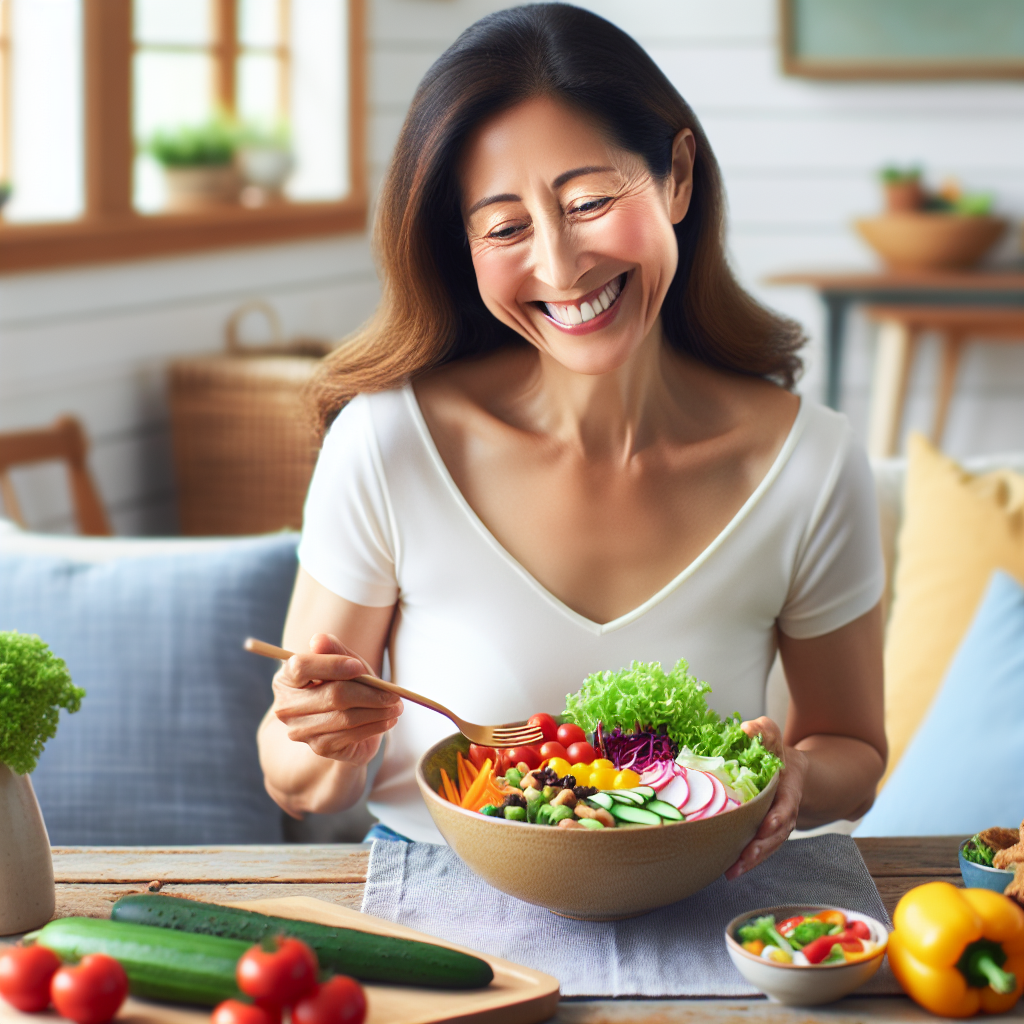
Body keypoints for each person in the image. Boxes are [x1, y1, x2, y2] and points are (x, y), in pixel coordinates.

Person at [257, 3, 886, 871]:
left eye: (588, 201)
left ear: (676, 176)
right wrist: (326, 736)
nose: (560, 267)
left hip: (701, 902)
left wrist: (797, 776)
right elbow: (297, 782)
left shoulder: (809, 462)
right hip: (436, 900)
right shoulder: (387, 444)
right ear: (463, 249)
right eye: (506, 228)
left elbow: (853, 751)